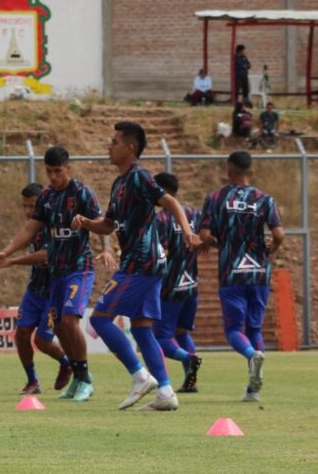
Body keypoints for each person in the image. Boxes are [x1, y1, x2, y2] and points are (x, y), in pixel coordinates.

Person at [72, 122, 201, 411]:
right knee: (143, 328)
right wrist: (86, 222)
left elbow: (170, 202)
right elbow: (107, 225)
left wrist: (186, 230)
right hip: (146, 263)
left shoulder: (140, 177)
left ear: (130, 148)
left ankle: (139, 375)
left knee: (100, 318)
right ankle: (166, 392)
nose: (109, 146)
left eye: (114, 142)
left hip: (141, 262)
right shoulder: (119, 183)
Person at [0, 147, 118, 401]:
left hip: (79, 268)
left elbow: (104, 224)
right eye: (49, 171)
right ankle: (80, 377)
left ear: (68, 168)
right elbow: (28, 230)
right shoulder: (46, 196)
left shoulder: (82, 193)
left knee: (69, 320)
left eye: (58, 171)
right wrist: (6, 252)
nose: (54, 176)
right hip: (56, 273)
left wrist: (104, 243)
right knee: (59, 326)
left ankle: (85, 380)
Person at [199, 151, 284, 402]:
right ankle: (253, 391)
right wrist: (272, 249)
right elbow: (278, 234)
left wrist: (220, 243)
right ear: (252, 172)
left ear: (228, 171)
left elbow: (204, 236)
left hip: (232, 272)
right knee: (254, 327)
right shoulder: (264, 199)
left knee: (234, 329)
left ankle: (250, 355)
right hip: (259, 272)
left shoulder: (215, 198)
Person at [0, 183, 73, 396]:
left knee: (42, 341)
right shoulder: (31, 226)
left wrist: (12, 261)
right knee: (22, 334)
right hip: (34, 290)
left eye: (32, 206)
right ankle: (32, 381)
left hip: (54, 291)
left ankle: (67, 362)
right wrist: (5, 253)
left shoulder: (54, 225)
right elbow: (24, 242)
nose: (28, 211)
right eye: (24, 206)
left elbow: (46, 255)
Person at [151, 173, 204, 393]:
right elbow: (206, 238)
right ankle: (191, 381)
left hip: (169, 288)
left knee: (160, 337)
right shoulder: (194, 214)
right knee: (182, 333)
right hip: (191, 284)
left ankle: (188, 358)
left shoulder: (161, 219)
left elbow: (161, 252)